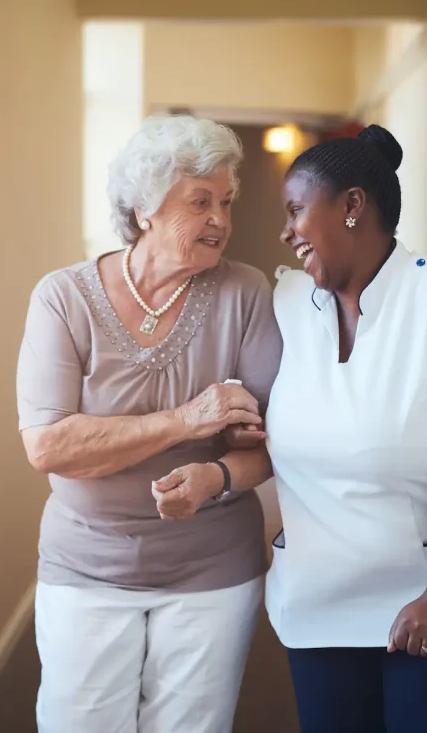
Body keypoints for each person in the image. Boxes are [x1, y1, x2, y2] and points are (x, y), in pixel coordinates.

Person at [15, 115, 282, 733]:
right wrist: (190, 420)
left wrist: (215, 475)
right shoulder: (64, 299)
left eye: (226, 201)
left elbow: (270, 444)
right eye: (200, 201)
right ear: (144, 212)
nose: (221, 218)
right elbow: (50, 445)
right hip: (86, 565)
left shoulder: (245, 293)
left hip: (213, 568)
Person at [264, 124, 427, 732]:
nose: (286, 230)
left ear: (353, 205)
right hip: (319, 610)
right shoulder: (286, 307)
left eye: (297, 210)